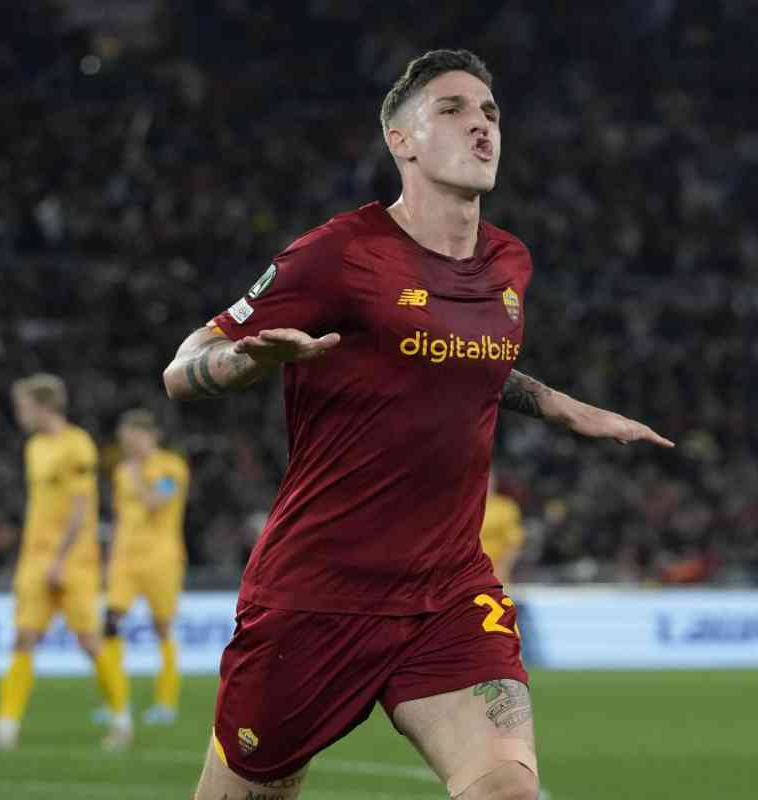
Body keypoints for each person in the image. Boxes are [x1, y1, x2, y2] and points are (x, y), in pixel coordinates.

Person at [162, 49, 674, 800]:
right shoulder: (340, 252)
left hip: (449, 589)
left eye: (490, 112)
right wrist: (244, 361)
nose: (481, 126)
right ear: (400, 141)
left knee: (509, 791)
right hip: (317, 595)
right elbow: (182, 368)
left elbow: (453, 359)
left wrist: (562, 406)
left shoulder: (509, 262)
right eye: (452, 110)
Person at [0, 374, 132, 752]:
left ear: (44, 407)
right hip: (35, 560)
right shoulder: (34, 447)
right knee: (23, 638)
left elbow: (81, 508)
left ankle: (121, 721)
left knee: (89, 641)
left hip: (73, 561)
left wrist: (60, 559)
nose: (19, 414)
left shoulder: (78, 444)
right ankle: (4, 730)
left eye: (23, 406)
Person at [101, 408, 190, 725]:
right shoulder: (121, 472)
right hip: (125, 559)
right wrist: (109, 557)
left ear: (151, 436)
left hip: (161, 559)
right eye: (125, 440)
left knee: (162, 627)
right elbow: (120, 517)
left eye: (133, 439)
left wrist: (137, 472)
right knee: (110, 623)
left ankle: (166, 702)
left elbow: (155, 503)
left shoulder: (171, 467)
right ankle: (116, 700)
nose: (129, 446)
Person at [480, 469, 525, 585]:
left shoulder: (506, 508)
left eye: (489, 479)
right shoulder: (466, 507)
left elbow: (514, 545)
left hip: (496, 573)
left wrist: (503, 568)